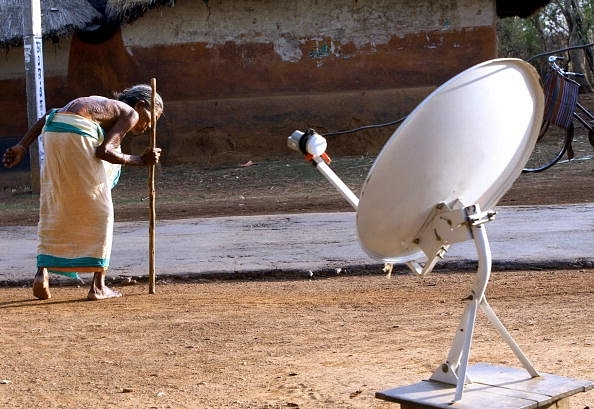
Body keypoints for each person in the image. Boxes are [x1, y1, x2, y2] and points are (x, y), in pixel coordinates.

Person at [2, 84, 163, 301]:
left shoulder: (100, 106)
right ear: (141, 105)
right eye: (151, 119)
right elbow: (105, 151)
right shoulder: (130, 113)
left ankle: (42, 274)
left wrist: (22, 146)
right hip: (76, 132)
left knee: (56, 201)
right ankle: (98, 286)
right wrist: (141, 161)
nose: (148, 127)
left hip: (53, 130)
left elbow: (50, 115)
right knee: (102, 210)